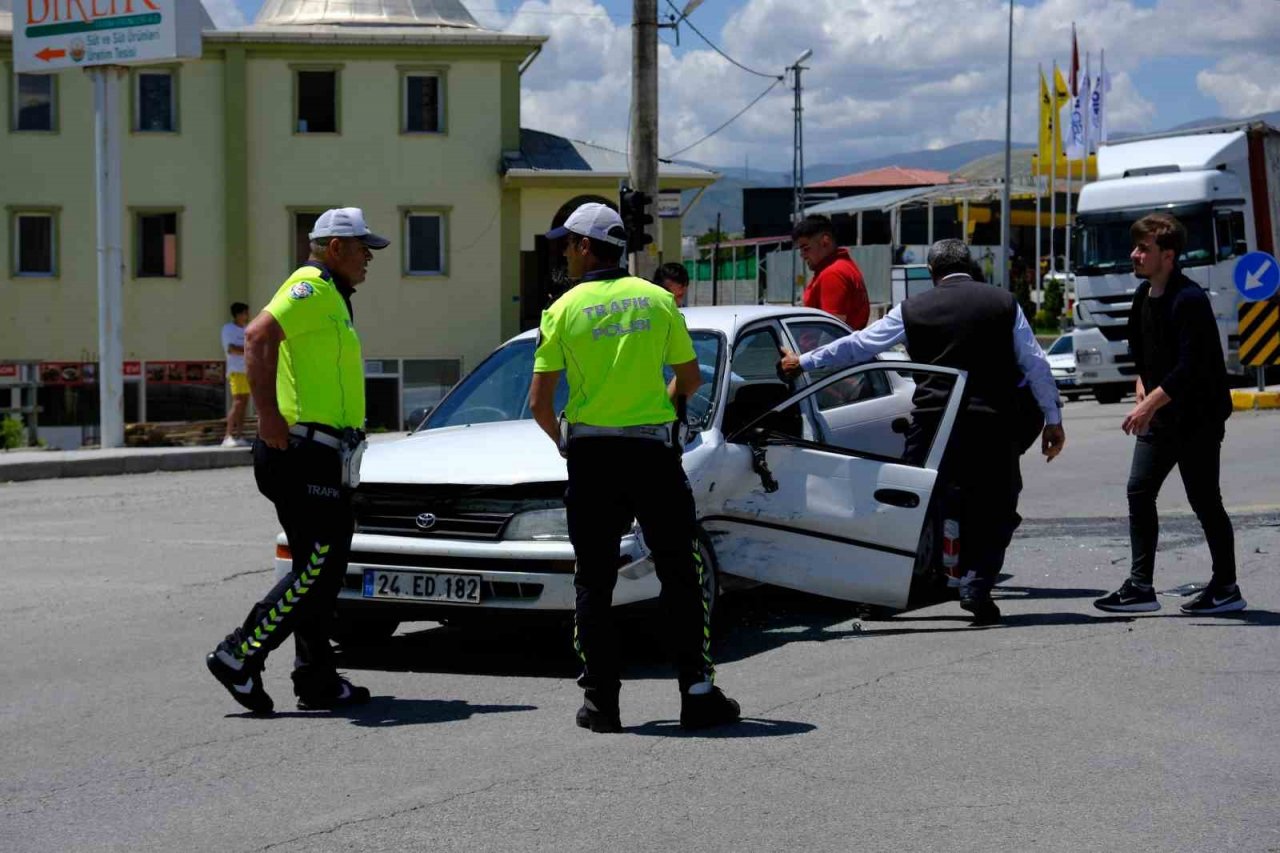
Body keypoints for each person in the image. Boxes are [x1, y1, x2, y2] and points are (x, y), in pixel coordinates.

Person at [529, 202, 740, 733]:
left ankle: (601, 702)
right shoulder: (658, 300)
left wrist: (564, 442)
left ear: (583, 247)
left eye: (566, 245)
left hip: (593, 459)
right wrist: (664, 408)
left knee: (594, 581)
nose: (563, 255)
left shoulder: (562, 308)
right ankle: (697, 692)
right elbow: (690, 380)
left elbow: (538, 402)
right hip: (653, 456)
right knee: (680, 574)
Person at [780, 239, 1066, 625]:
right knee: (996, 505)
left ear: (932, 274)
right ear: (970, 266)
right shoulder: (1003, 303)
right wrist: (1052, 417)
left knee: (907, 508)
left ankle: (881, 594)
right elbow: (1035, 363)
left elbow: (860, 346)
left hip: (933, 425)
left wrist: (805, 361)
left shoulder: (913, 309)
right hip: (992, 424)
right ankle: (977, 586)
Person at [205, 207, 389, 714]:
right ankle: (239, 652)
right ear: (336, 248)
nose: (369, 259)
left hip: (325, 453)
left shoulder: (332, 297)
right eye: (363, 249)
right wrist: (266, 414)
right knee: (319, 565)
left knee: (322, 570)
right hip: (301, 451)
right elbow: (257, 336)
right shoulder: (309, 286)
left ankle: (316, 677)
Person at [1094, 213, 1242, 615]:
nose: (1134, 254)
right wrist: (1142, 383)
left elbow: (1190, 366)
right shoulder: (1144, 296)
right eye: (1136, 246)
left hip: (1198, 417)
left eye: (1144, 248)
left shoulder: (1189, 299)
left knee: (1204, 500)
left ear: (1169, 255)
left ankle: (1226, 586)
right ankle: (1141, 586)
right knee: (1139, 491)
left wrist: (1148, 403)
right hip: (1162, 416)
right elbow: (1140, 349)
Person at [794, 215, 869, 330]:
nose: (802, 255)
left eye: (806, 248)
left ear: (825, 241)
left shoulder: (832, 273)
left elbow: (831, 331)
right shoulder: (843, 266)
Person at [221, 302, 251, 447]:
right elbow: (231, 349)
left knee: (244, 404)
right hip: (236, 370)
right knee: (238, 402)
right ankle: (228, 436)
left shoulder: (247, 329)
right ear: (238, 314)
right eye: (245, 313)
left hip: (247, 370)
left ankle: (240, 435)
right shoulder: (228, 329)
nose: (247, 316)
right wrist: (249, 350)